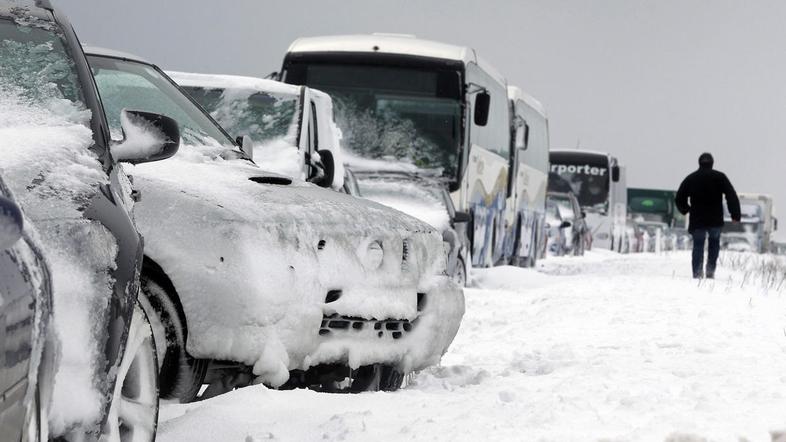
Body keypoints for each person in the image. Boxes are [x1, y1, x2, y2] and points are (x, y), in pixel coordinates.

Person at [675, 153, 740, 278]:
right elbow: (731, 195)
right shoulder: (720, 177)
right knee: (714, 243)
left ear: (699, 163)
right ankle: (710, 270)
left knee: (698, 244)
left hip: (697, 218)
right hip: (715, 218)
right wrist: (735, 214)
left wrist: (686, 209)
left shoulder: (691, 178)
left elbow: (679, 197)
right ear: (712, 163)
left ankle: (697, 272)